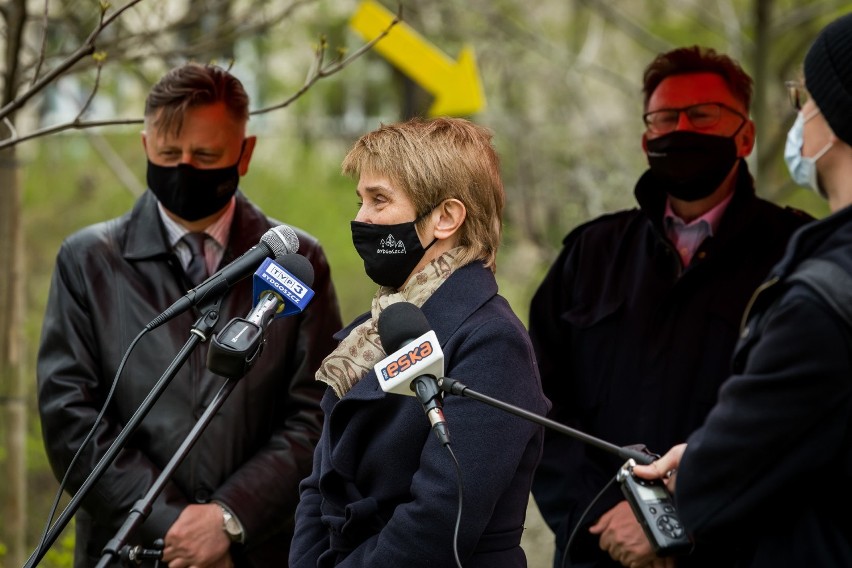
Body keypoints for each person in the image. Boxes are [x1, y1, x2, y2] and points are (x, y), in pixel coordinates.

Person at [36, 63, 342, 567]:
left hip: (256, 550)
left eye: (204, 155)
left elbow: (316, 413)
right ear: (144, 147)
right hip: (128, 550)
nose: (184, 169)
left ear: (244, 154)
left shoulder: (298, 263)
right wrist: (173, 523)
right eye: (168, 154)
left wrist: (227, 518)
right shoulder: (89, 260)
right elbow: (72, 418)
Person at [528, 46, 812, 568]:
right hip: (599, 546)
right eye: (665, 118)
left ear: (745, 136)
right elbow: (539, 404)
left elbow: (801, 426)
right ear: (646, 139)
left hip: (738, 552)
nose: (681, 128)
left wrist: (687, 523)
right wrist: (603, 514)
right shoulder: (590, 255)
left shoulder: (797, 256)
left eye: (701, 115)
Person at [633, 12, 852, 567]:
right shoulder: (591, 251)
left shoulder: (820, 296)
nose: (801, 116)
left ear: (837, 119)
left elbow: (723, 478)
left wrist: (703, 467)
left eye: (806, 99)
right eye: (666, 118)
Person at [289, 117, 549, 567]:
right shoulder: (371, 329)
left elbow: (437, 519)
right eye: (361, 200)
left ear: (445, 217)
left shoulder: (491, 342)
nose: (361, 219)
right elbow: (319, 485)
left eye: (379, 200)